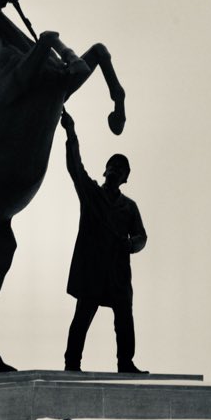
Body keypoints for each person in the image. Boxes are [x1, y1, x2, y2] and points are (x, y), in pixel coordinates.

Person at [60, 111, 148, 373]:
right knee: (82, 316)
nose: (115, 169)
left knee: (124, 318)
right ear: (106, 169)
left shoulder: (129, 207)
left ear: (125, 177)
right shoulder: (91, 194)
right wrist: (70, 132)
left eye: (121, 168)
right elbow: (75, 168)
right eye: (113, 164)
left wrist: (131, 245)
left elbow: (142, 236)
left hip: (118, 273)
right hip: (92, 270)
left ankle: (126, 362)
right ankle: (72, 363)